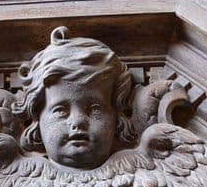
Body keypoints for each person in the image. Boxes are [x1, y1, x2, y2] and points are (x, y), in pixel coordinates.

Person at [14, 27, 134, 169]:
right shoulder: (18, 174)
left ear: (117, 118)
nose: (78, 122)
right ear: (37, 119)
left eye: (95, 109)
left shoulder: (142, 168)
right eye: (60, 110)